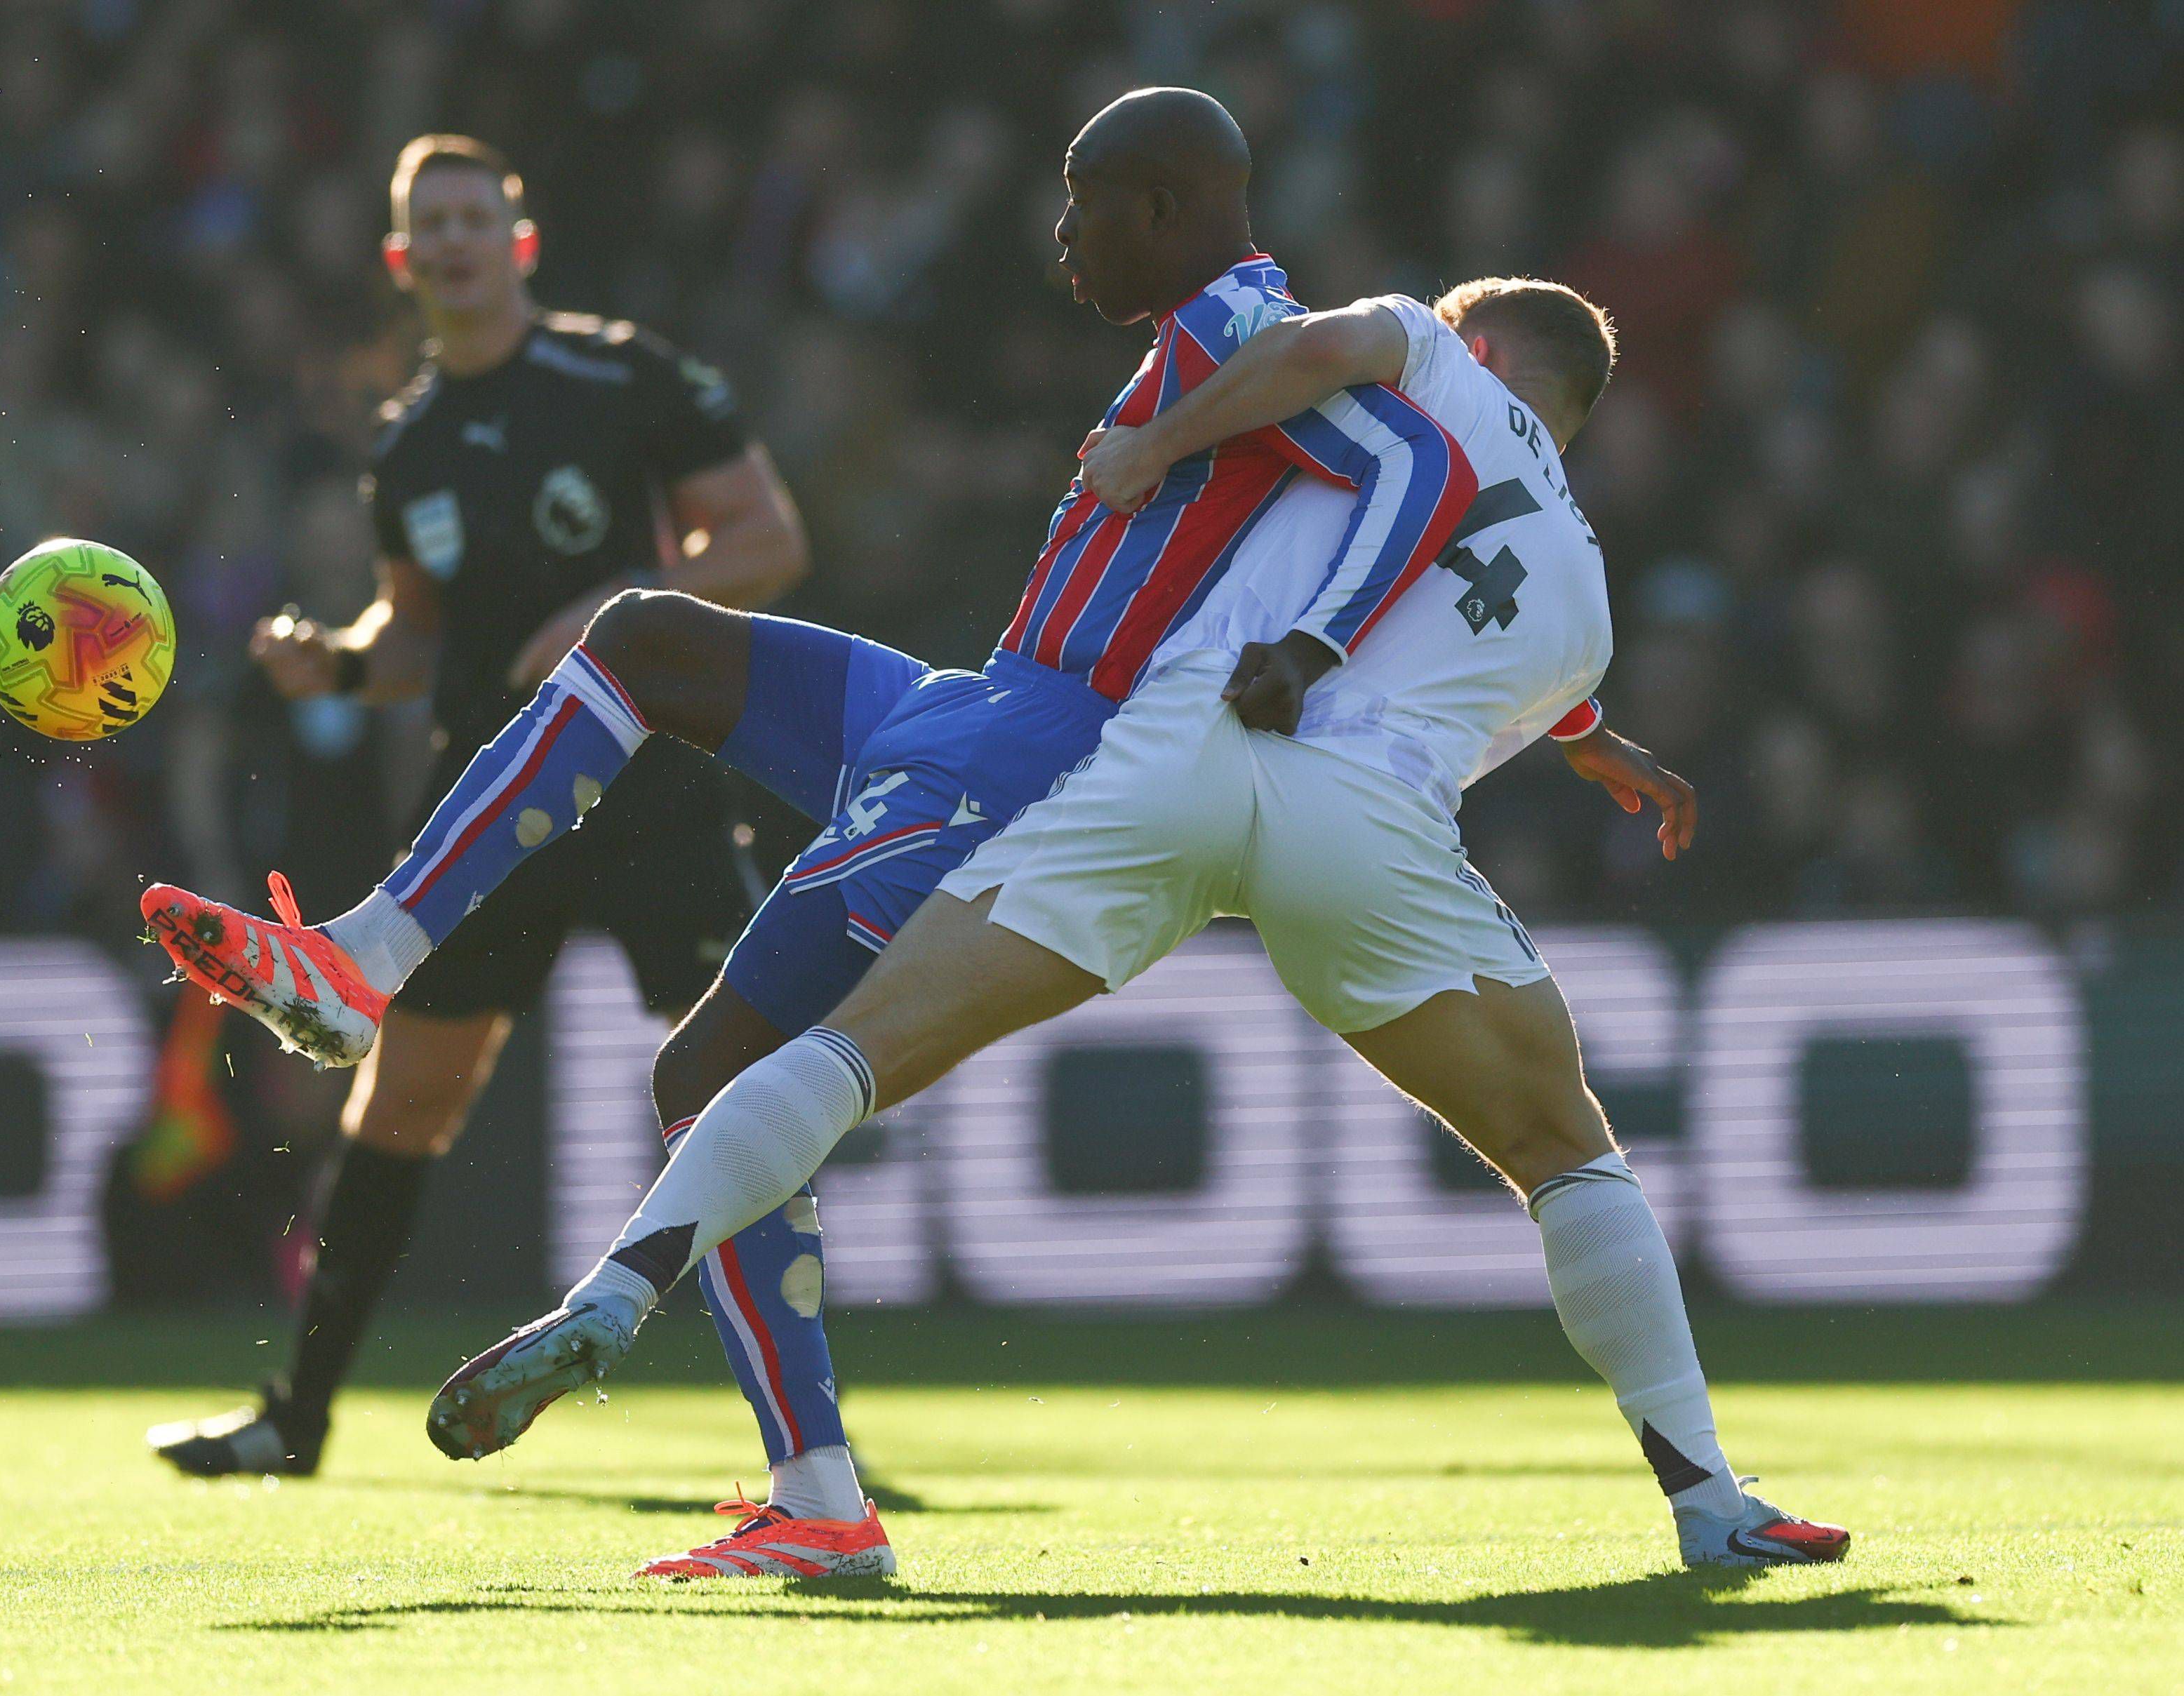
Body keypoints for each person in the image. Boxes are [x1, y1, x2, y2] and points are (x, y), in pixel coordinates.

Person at [423, 95, 1850, 1571]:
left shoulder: (1413, 359)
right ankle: (1705, 1501)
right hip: (1358, 834)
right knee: (1561, 1145)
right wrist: (1599, 744)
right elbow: (1489, 658)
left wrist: (1156, 443)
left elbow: (1303, 363)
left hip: (1174, 759)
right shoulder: (1588, 599)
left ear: (1474, 347)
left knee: (843, 1056)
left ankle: (616, 1290)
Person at [142, 88, 1470, 1578]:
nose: (1059, 233)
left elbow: (1425, 461)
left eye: (1083, 199)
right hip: (971, 699)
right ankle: (360, 960)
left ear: (1162, 206)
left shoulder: (1249, 334)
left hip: (1034, 760)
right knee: (646, 635)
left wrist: (1320, 645)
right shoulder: (1205, 351)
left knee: (711, 1071)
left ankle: (820, 1499)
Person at [141, 134, 814, 1496]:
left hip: (655, 795)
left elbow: (765, 541)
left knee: (745, 1094)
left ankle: (809, 1445)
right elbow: (425, 644)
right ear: (402, 262)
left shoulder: (624, 377)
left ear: (519, 238)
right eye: (424, 225)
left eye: (471, 216)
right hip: (492, 815)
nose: (450, 241)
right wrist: (331, 658)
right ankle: (300, 1417)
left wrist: (613, 617)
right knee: (399, 1110)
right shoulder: (410, 446)